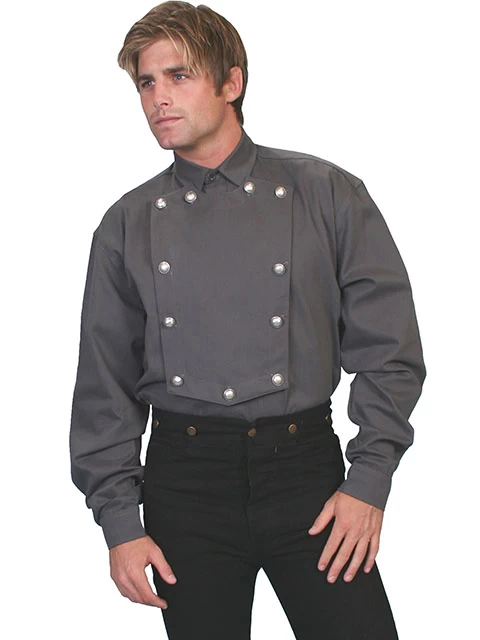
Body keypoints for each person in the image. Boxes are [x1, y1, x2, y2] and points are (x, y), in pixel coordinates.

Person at [69, 2, 426, 638]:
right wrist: (120, 522)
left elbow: (389, 350)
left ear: (231, 83)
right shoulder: (126, 224)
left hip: (308, 477)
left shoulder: (328, 193)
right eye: (146, 83)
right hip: (184, 484)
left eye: (178, 76)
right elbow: (105, 386)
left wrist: (369, 481)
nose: (158, 98)